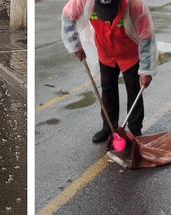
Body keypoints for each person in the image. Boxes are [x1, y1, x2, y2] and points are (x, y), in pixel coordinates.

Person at [62, 0, 157, 143]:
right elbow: (68, 17)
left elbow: (146, 36)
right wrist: (75, 46)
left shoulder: (135, 5)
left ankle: (135, 130)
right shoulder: (82, 1)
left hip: (129, 53)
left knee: (134, 89)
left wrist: (147, 70)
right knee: (107, 89)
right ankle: (108, 127)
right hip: (105, 51)